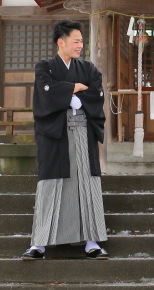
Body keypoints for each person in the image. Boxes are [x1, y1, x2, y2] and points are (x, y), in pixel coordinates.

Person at [21, 20, 109, 260]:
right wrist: (73, 88)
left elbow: (96, 92)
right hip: (55, 133)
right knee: (51, 184)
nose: (80, 45)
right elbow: (45, 91)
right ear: (61, 42)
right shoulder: (44, 67)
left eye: (82, 41)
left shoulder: (89, 68)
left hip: (82, 130)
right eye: (76, 41)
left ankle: (92, 241)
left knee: (86, 183)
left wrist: (71, 93)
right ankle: (39, 243)